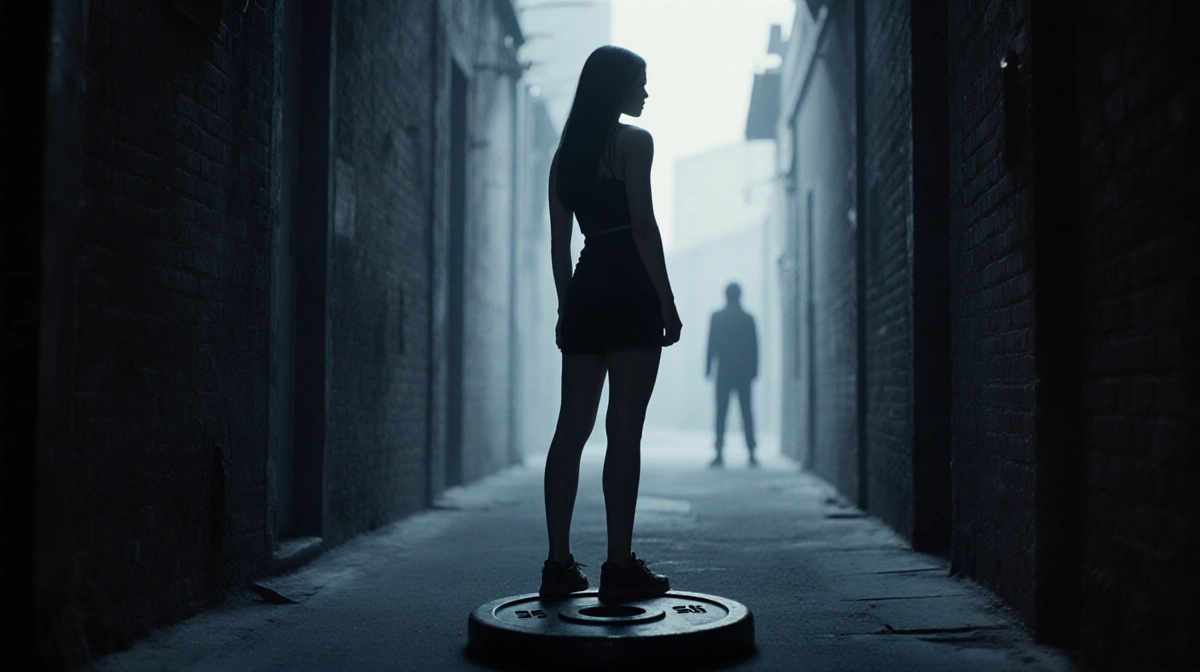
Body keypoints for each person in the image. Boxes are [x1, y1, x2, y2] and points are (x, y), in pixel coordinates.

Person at [539, 45, 683, 602]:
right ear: (617, 88)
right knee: (624, 428)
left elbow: (558, 242)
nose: (645, 94)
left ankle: (557, 564)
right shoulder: (633, 143)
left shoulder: (564, 155)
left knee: (570, 430)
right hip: (629, 287)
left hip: (584, 286)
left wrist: (564, 306)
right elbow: (643, 226)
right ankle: (618, 566)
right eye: (639, 84)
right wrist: (667, 302)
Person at [705, 282, 758, 468]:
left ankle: (719, 452)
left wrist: (708, 368)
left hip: (724, 371)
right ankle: (751, 452)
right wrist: (755, 370)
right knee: (746, 412)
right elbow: (754, 346)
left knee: (721, 413)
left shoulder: (717, 317)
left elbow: (710, 344)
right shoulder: (748, 318)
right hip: (743, 372)